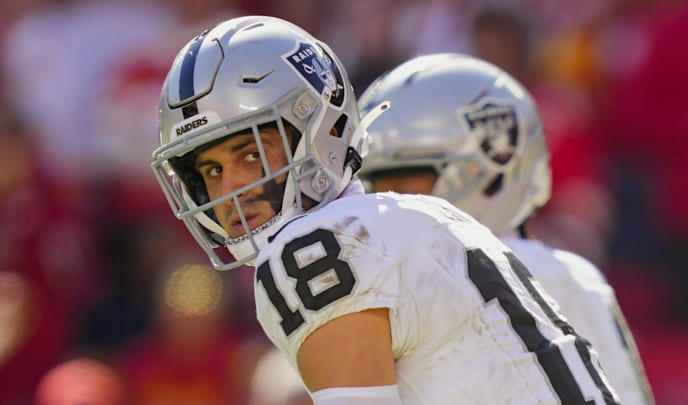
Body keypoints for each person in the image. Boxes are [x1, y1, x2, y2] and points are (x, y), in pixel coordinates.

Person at [151, 16, 621, 404]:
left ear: (315, 129)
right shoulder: (417, 219)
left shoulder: (315, 247)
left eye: (251, 154)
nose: (230, 188)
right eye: (210, 170)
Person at [357, 52, 654, 404]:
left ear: (487, 170)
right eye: (373, 187)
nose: (387, 203)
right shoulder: (572, 278)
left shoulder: (548, 277)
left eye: (404, 182)